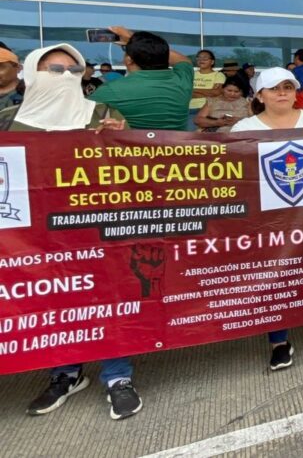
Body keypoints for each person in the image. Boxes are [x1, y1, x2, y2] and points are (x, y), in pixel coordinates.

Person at [2, 44, 136, 419]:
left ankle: (117, 376)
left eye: (72, 70)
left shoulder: (102, 113)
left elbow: (136, 168)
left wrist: (120, 139)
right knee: (54, 300)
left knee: (108, 296)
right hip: (31, 236)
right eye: (53, 70)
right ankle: (65, 373)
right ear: (30, 73)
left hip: (97, 226)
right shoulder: (9, 120)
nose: (64, 77)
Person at [231, 68, 303, 370]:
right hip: (270, 216)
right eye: (273, 88)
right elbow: (233, 170)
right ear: (259, 95)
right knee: (275, 271)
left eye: (287, 86)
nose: (282, 92)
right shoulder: (245, 127)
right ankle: (278, 338)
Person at [89, 26, 193, 131]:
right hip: (176, 146)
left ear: (129, 60)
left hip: (133, 146)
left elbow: (83, 116)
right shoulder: (182, 79)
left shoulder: (111, 89)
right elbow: (182, 59)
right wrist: (133, 39)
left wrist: (134, 41)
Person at [188, 49, 225, 130]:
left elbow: (216, 93)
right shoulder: (191, 74)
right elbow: (185, 92)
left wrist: (193, 89)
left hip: (207, 110)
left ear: (212, 62)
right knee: (190, 135)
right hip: (189, 109)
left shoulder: (218, 75)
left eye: (205, 58)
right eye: (199, 58)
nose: (201, 60)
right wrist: (207, 91)